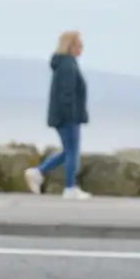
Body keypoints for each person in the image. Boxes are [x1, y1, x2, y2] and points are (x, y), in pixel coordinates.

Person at [25, 31, 92, 198]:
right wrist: (72, 116)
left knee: (68, 151)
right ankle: (70, 187)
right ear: (71, 46)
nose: (82, 49)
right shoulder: (68, 65)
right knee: (72, 151)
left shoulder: (65, 64)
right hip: (68, 116)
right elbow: (67, 94)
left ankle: (38, 172)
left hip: (64, 115)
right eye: (79, 45)